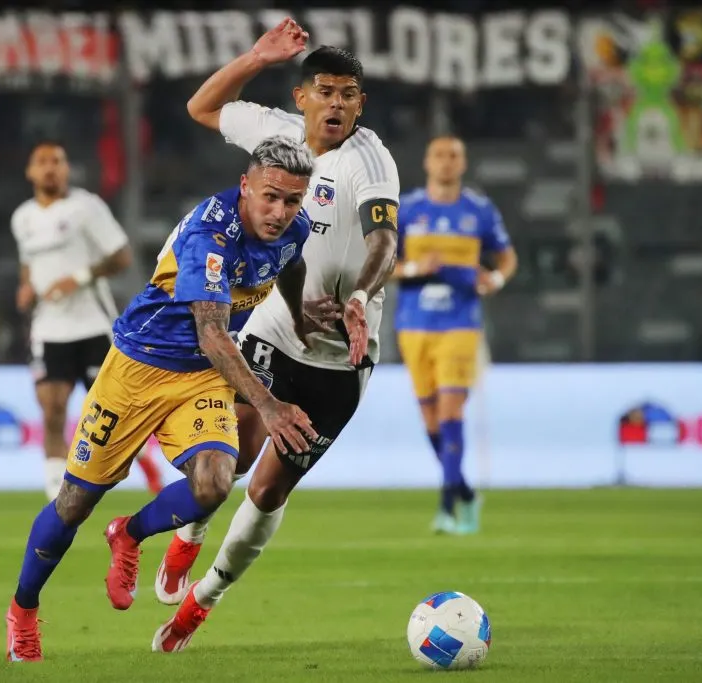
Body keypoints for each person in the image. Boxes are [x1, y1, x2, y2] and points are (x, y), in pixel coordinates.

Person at [4, 136, 325, 663]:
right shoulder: (209, 238)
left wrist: (299, 315)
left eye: (293, 200)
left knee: (215, 482)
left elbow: (289, 263)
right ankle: (23, 610)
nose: (280, 212)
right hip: (138, 369)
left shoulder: (293, 226)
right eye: (270, 197)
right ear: (246, 186)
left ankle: (128, 534)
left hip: (201, 378)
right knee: (73, 504)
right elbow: (214, 336)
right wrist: (268, 406)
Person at [149, 20, 400, 653]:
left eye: (349, 94)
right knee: (227, 456)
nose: (337, 104)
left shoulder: (370, 162)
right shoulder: (276, 135)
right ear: (302, 98)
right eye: (326, 91)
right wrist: (257, 57)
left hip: (343, 356)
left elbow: (384, 241)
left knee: (267, 489)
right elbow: (201, 106)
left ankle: (203, 601)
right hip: (271, 325)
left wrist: (362, 299)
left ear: (360, 104)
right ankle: (188, 536)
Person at [12, 141, 162, 500]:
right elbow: (29, 265)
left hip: (93, 326)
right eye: (42, 162)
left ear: (66, 169)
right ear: (30, 172)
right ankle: (55, 495)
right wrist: (26, 287)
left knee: (110, 413)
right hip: (49, 329)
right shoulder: (23, 218)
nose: (50, 168)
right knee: (51, 409)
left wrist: (76, 278)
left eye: (57, 161)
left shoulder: (87, 207)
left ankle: (146, 462)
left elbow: (121, 256)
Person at [393, 135, 518, 535]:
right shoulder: (408, 209)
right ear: (427, 162)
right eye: (440, 155)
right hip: (413, 325)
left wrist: (495, 279)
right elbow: (382, 263)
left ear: (462, 164)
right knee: (430, 418)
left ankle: (448, 507)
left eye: (454, 156)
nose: (446, 162)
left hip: (460, 323)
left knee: (450, 412)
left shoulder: (478, 210)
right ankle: (464, 492)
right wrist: (414, 269)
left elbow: (506, 255)